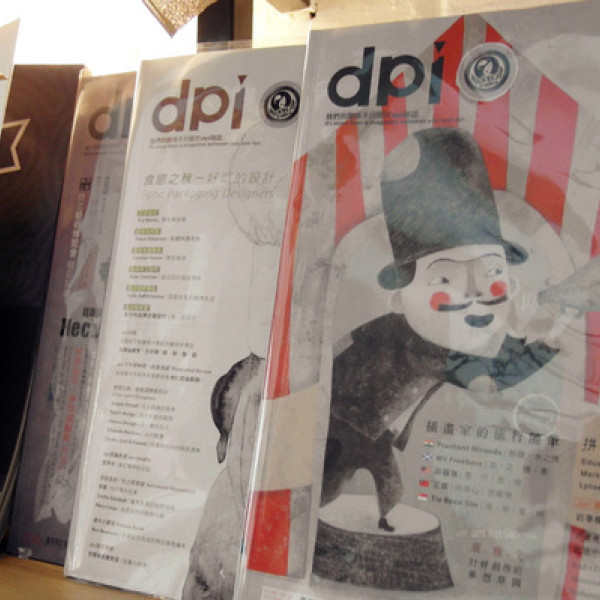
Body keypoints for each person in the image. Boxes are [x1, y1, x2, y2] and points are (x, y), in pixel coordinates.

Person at [320, 127, 565, 532]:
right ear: (399, 299)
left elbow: (345, 345)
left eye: (490, 273)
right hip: (346, 426)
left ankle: (377, 518)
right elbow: (489, 378)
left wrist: (522, 327)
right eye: (444, 279)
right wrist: (539, 341)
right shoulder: (423, 346)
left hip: (368, 428)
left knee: (375, 485)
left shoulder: (400, 330)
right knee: (335, 488)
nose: (474, 295)